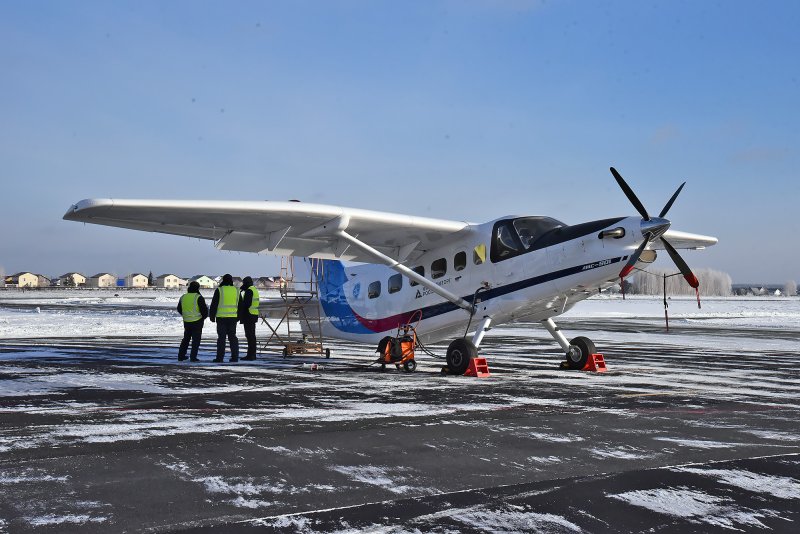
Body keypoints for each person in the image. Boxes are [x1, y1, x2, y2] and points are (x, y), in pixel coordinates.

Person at [210, 273, 239, 362]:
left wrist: (212, 316)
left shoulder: (219, 290)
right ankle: (235, 357)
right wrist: (238, 316)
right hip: (233, 317)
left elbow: (214, 304)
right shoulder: (236, 290)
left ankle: (220, 358)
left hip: (221, 318)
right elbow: (240, 304)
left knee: (221, 339)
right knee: (232, 338)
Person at [177, 281, 208, 362]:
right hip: (197, 321)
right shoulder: (198, 297)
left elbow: (179, 309)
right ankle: (193, 357)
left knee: (186, 339)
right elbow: (204, 311)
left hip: (187, 321)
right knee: (196, 341)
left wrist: (185, 315)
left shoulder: (183, 297)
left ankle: (181, 356)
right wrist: (202, 318)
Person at [238, 276, 260, 361]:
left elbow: (247, 304)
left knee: (250, 336)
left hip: (249, 315)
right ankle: (252, 354)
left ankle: (251, 355)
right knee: (251, 336)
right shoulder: (253, 289)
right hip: (253, 315)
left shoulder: (249, 291)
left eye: (244, 283)